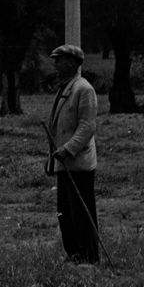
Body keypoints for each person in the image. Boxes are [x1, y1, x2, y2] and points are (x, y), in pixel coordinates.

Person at [44, 43, 101, 264]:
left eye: (59, 60)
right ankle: (74, 254)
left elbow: (87, 126)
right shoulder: (66, 88)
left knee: (81, 213)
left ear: (72, 63)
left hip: (78, 163)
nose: (56, 64)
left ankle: (89, 257)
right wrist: (52, 158)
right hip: (63, 164)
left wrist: (68, 149)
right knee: (64, 213)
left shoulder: (84, 89)